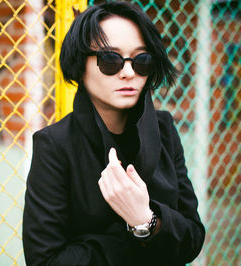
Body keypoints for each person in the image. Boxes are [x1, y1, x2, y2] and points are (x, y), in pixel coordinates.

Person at [22, 2, 205, 266]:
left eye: (142, 60)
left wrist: (145, 219)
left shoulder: (164, 129)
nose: (129, 72)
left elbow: (193, 238)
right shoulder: (55, 145)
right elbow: (45, 260)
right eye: (110, 59)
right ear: (80, 65)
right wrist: (140, 232)